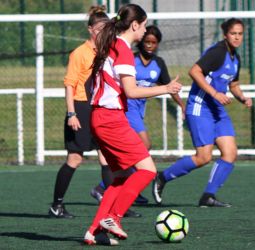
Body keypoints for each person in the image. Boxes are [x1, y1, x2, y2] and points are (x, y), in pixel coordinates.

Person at [83, 4, 181, 245]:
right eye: (144, 24)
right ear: (135, 25)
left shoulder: (110, 44)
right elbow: (132, 90)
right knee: (147, 169)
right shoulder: (124, 49)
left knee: (120, 177)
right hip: (110, 118)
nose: (145, 29)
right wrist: (166, 88)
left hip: (99, 117)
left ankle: (94, 229)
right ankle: (114, 218)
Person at [152, 18, 252, 208]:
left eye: (240, 33)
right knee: (203, 157)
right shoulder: (218, 52)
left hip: (217, 109)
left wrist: (243, 98)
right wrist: (214, 93)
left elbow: (234, 84)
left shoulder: (235, 57)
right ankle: (162, 177)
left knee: (230, 153)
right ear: (225, 35)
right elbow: (194, 71)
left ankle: (208, 196)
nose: (237, 37)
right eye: (233, 33)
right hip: (200, 107)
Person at [89, 25, 185, 204]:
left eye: (153, 43)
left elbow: (169, 86)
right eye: (147, 41)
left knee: (135, 155)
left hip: (139, 110)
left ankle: (110, 187)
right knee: (144, 147)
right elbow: (130, 89)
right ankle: (121, 188)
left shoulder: (158, 63)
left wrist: (181, 105)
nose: (149, 45)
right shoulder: (129, 57)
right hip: (125, 108)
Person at [48, 5, 113, 220]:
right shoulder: (80, 53)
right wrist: (71, 114)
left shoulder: (105, 51)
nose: (102, 32)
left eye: (106, 28)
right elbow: (69, 85)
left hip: (98, 108)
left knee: (106, 157)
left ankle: (113, 206)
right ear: (90, 29)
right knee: (75, 158)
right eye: (99, 28)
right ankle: (56, 205)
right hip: (80, 108)